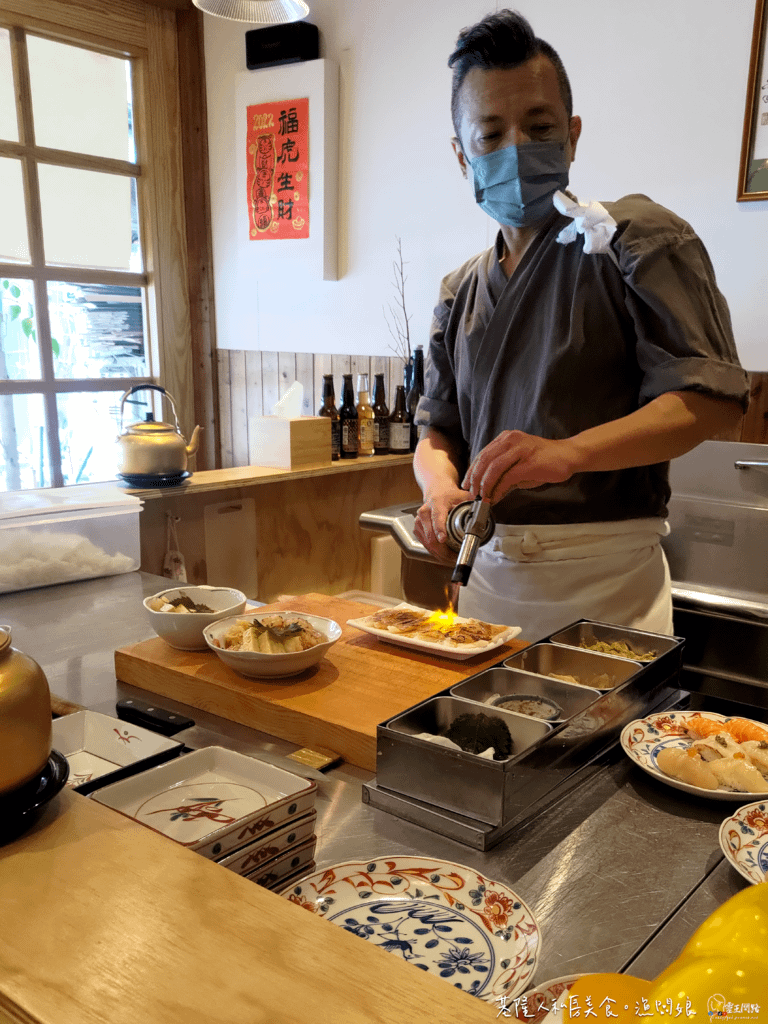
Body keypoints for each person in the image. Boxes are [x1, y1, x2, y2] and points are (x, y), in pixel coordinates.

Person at [413, 9, 749, 639]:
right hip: (487, 584)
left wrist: (568, 455)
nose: (516, 148)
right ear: (462, 155)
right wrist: (438, 493)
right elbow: (436, 432)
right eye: (490, 135)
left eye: (538, 127)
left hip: (609, 589)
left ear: (571, 135)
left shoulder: (636, 241)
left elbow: (712, 401)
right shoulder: (460, 291)